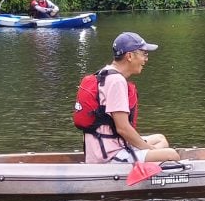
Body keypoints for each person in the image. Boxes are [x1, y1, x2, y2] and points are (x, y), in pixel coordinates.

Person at [73, 32, 179, 164]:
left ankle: (145, 159)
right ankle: (145, 162)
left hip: (106, 147)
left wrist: (148, 149)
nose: (146, 59)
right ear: (129, 56)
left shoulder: (104, 73)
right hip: (109, 156)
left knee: (160, 139)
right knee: (171, 155)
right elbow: (123, 128)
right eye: (144, 54)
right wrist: (149, 149)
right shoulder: (117, 81)